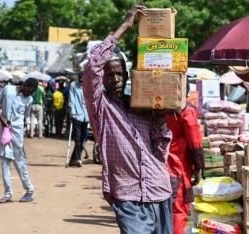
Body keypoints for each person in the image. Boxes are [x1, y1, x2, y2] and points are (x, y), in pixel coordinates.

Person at [83, 5, 173, 234]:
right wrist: (126, 25)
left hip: (158, 189)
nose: (115, 79)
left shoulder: (141, 107)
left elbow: (159, 151)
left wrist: (160, 118)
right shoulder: (101, 108)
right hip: (127, 194)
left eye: (119, 73)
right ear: (102, 79)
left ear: (127, 74)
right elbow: (92, 67)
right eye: (109, 74)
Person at [166, 83, 204, 234]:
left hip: (157, 166)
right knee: (178, 210)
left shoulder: (156, 107)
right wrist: (199, 166)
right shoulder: (186, 110)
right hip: (177, 167)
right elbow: (195, 141)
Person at [0, 78, 38, 203]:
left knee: (19, 161)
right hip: (5, 131)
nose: (30, 93)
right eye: (30, 90)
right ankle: (7, 194)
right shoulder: (8, 90)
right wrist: (2, 120)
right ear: (25, 85)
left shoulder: (29, 99)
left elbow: (25, 116)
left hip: (17, 133)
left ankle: (29, 190)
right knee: (4, 160)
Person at [68, 73, 89, 167]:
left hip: (86, 116)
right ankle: (78, 159)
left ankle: (73, 160)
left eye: (83, 79)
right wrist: (72, 112)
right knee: (77, 138)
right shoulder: (73, 85)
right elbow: (71, 99)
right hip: (77, 115)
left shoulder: (88, 86)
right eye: (80, 79)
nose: (82, 81)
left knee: (83, 138)